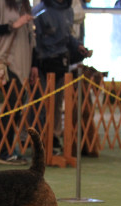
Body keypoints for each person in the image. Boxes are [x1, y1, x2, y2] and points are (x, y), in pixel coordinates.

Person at [0, 0, 37, 165]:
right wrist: (12, 25)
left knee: (17, 107)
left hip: (24, 63)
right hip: (7, 62)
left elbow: (31, 37)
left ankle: (9, 149)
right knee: (11, 106)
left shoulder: (26, 4)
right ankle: (3, 151)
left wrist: (34, 64)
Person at [32, 0, 92, 150]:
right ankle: (36, 138)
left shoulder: (68, 10)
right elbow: (34, 41)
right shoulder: (40, 11)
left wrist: (77, 46)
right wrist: (34, 63)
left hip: (62, 62)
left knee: (57, 104)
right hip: (43, 63)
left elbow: (68, 35)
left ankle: (53, 136)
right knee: (41, 104)